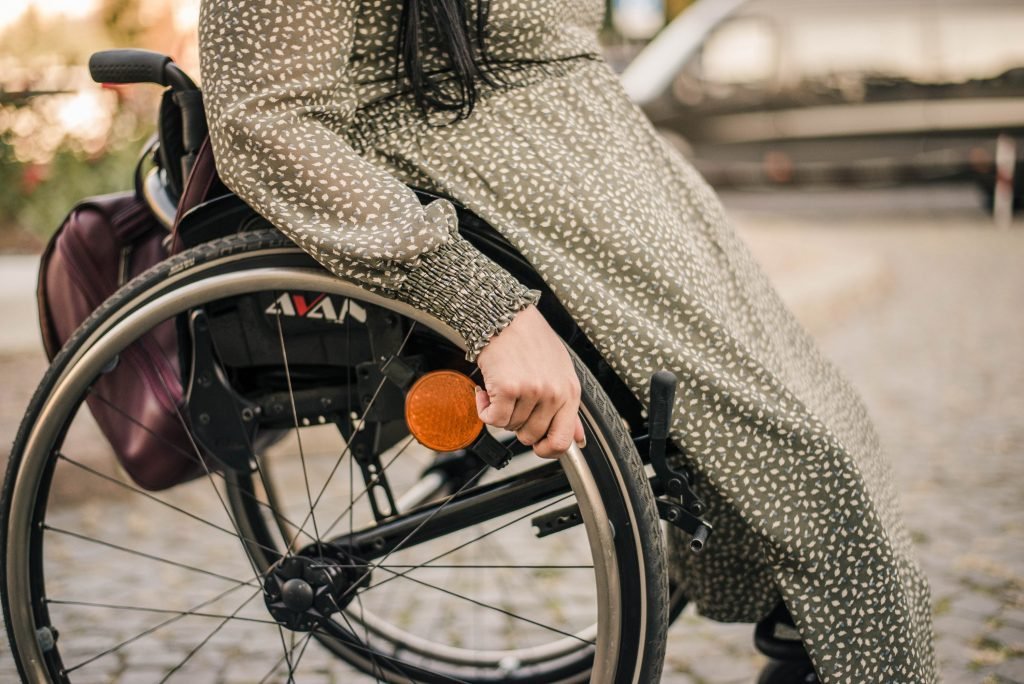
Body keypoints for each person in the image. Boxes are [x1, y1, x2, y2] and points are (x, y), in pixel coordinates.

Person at [197, 0, 937, 681]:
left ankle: (807, 629)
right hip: (502, 205)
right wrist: (484, 306)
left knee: (832, 434)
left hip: (618, 195)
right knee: (815, 466)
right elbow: (263, 120)